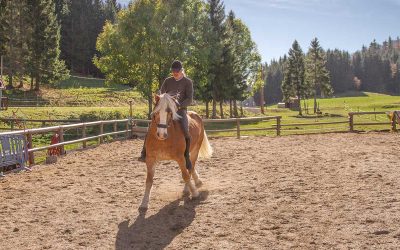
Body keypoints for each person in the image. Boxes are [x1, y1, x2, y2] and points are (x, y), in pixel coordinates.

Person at [138, 60, 194, 169]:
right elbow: (161, 93)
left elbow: (189, 99)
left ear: (181, 70)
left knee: (186, 131)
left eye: (177, 71)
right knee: (151, 126)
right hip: (166, 110)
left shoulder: (188, 82)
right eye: (173, 71)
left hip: (180, 109)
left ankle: (186, 156)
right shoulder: (168, 81)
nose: (175, 73)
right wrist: (159, 100)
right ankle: (144, 152)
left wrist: (178, 106)